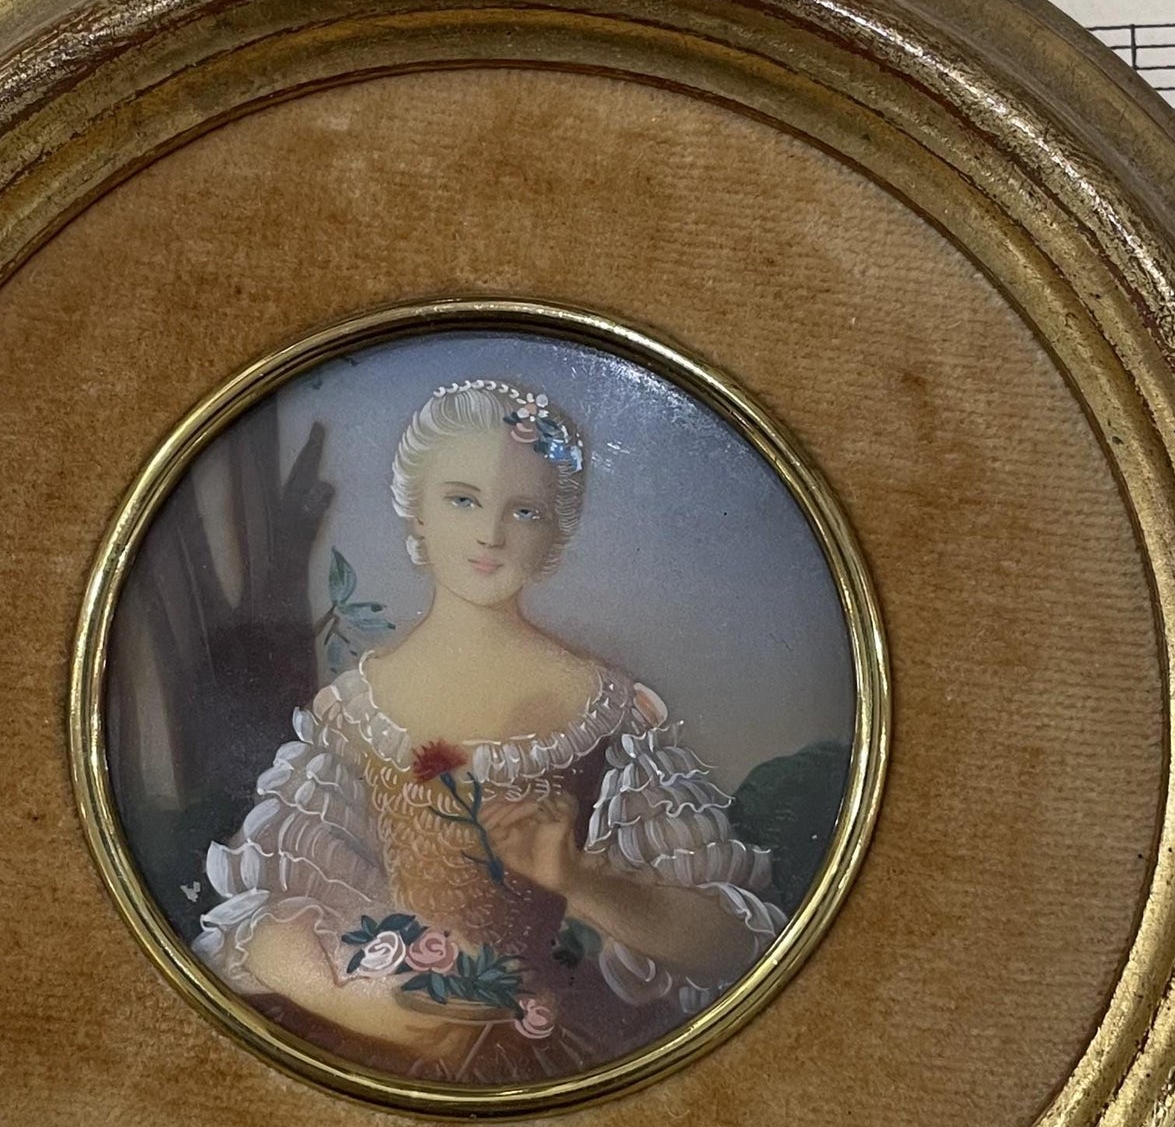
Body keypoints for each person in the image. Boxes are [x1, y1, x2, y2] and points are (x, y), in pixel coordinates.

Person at [195, 378, 783, 1085]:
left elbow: (731, 944)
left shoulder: (607, 708)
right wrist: (342, 999)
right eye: (463, 499)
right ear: (417, 511)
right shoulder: (357, 712)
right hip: (380, 1043)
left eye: (524, 510)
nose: (490, 535)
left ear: (554, 532)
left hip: (555, 1055)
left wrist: (579, 881)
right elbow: (261, 914)